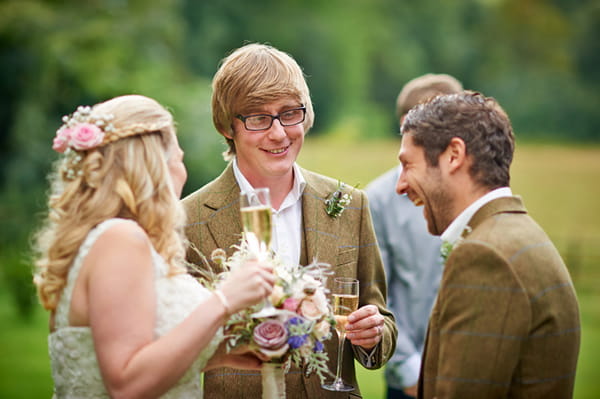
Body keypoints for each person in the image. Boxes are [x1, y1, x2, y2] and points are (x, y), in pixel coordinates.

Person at [182, 43, 397, 398]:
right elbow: (173, 344)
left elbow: (380, 321)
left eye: (289, 113)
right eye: (258, 118)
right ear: (227, 126)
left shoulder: (350, 205)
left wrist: (374, 335)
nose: (279, 133)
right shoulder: (188, 219)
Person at [32, 94, 275, 398]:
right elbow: (126, 385)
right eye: (179, 160)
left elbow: (120, 359)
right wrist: (224, 301)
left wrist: (217, 357)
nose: (182, 173)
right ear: (156, 167)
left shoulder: (106, 239)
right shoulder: (121, 239)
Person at [396, 91, 581, 398]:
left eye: (407, 165)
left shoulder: (484, 256)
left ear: (453, 155)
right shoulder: (524, 235)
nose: (400, 185)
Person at [366, 73, 463, 399]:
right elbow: (378, 293)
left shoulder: (472, 191)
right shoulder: (378, 199)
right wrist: (411, 372)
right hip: (410, 381)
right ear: (408, 124)